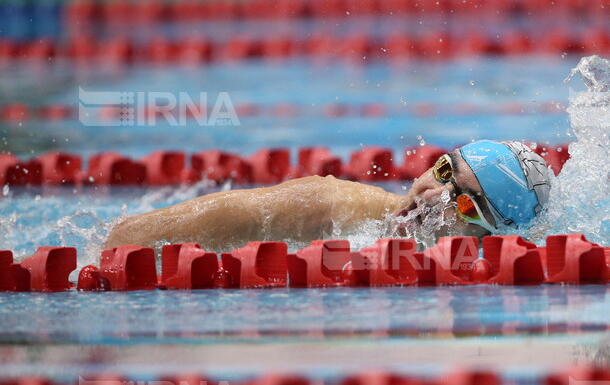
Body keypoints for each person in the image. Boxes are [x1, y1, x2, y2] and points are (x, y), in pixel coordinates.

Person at [102, 140, 553, 252]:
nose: (432, 195)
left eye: (465, 202)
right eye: (441, 170)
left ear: (490, 236)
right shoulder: (326, 206)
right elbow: (125, 240)